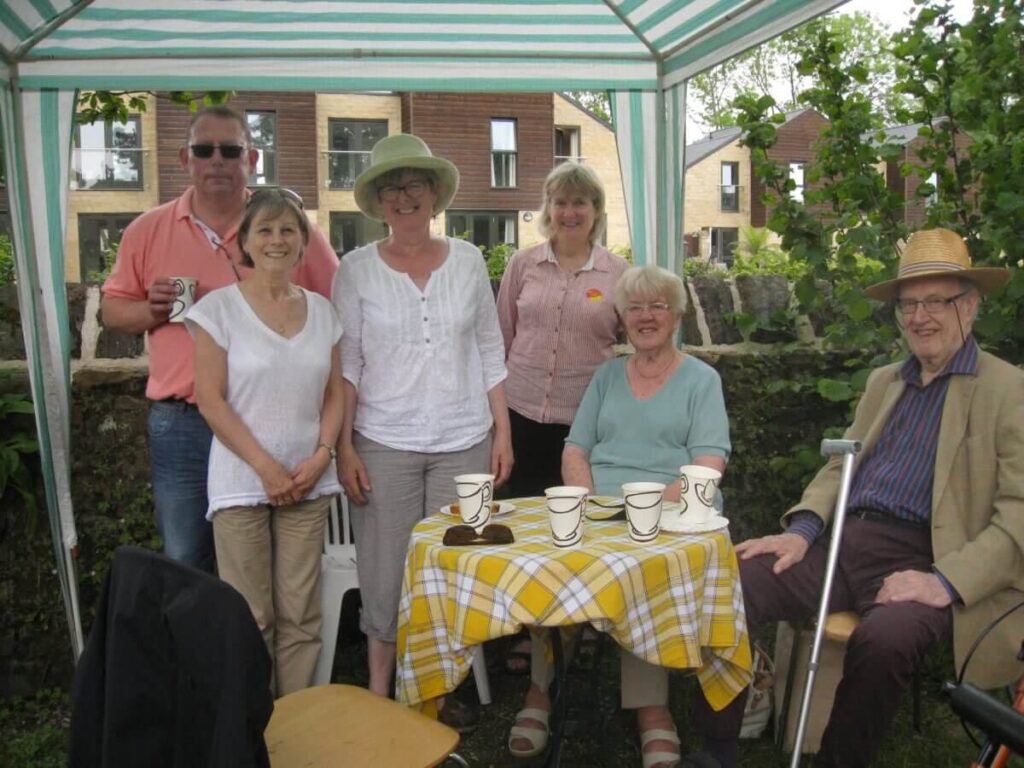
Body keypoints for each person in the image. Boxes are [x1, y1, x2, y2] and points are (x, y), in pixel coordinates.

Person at [691, 228, 1024, 768]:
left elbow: (1019, 517)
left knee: (886, 641)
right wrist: (801, 532)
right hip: (842, 542)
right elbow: (838, 465)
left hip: (928, 557)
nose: (919, 317)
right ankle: (717, 748)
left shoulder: (1009, 390)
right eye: (908, 305)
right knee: (732, 580)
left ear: (971, 305)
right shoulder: (884, 381)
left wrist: (944, 581)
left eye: (936, 301)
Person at [508, 265, 731, 768]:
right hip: (601, 506)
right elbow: (575, 449)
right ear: (622, 318)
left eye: (657, 306)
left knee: (643, 575)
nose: (645, 316)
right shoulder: (607, 376)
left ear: (675, 315)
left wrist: (648, 511)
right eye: (634, 307)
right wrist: (590, 504)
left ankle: (653, 709)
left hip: (673, 508)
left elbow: (709, 462)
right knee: (554, 560)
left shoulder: (701, 380)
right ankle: (541, 691)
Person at [101, 105, 338, 573]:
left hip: (275, 422)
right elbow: (112, 311)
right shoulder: (147, 230)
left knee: (279, 566)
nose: (217, 161)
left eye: (230, 150)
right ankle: (204, 650)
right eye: (204, 150)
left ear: (251, 160)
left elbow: (337, 308)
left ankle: (258, 649)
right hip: (185, 421)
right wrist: (150, 309)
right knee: (186, 557)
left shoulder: (288, 230)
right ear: (183, 158)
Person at [331, 133, 512, 729]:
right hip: (384, 441)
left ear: (435, 195)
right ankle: (381, 692)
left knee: (453, 567)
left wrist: (502, 434)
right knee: (384, 570)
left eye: (414, 185)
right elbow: (348, 364)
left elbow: (490, 350)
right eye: (392, 187)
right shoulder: (355, 270)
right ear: (379, 201)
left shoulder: (465, 260)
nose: (404, 196)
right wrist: (345, 444)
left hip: (465, 438)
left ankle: (439, 688)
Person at [186, 188, 344, 697]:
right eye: (266, 230)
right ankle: (253, 729)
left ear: (303, 243)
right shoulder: (218, 311)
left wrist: (323, 455)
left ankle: (292, 726)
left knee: (301, 615)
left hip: (307, 479)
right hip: (241, 482)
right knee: (250, 616)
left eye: (288, 230)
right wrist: (265, 468)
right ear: (246, 243)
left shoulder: (323, 311)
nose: (277, 240)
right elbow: (210, 400)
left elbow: (335, 393)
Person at [496, 161, 628, 498]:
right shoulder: (522, 264)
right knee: (523, 520)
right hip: (519, 412)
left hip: (585, 421)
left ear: (596, 209)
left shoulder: (618, 272)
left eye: (580, 202)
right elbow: (501, 337)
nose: (570, 212)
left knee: (579, 517)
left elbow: (638, 336)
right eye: (560, 202)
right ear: (548, 209)